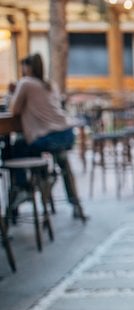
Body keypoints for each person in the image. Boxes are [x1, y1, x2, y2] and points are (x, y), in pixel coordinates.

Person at [7, 53, 86, 221]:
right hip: (66, 134)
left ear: (27, 67)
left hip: (48, 137)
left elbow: (14, 110)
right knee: (57, 160)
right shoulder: (50, 84)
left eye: (23, 66)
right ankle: (48, 181)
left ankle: (24, 188)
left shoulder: (26, 83)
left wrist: (13, 94)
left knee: (15, 148)